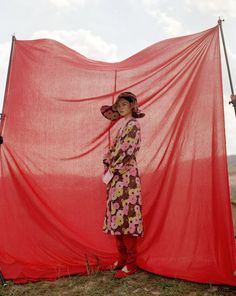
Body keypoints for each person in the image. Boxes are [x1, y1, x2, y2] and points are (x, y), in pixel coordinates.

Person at [100, 91, 145, 279]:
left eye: (124, 105)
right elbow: (114, 149)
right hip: (116, 177)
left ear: (132, 106)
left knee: (127, 218)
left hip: (126, 177)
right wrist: (107, 159)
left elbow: (127, 151)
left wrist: (113, 166)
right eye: (118, 106)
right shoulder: (122, 125)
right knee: (117, 217)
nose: (121, 108)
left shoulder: (134, 125)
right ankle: (122, 259)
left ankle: (131, 265)